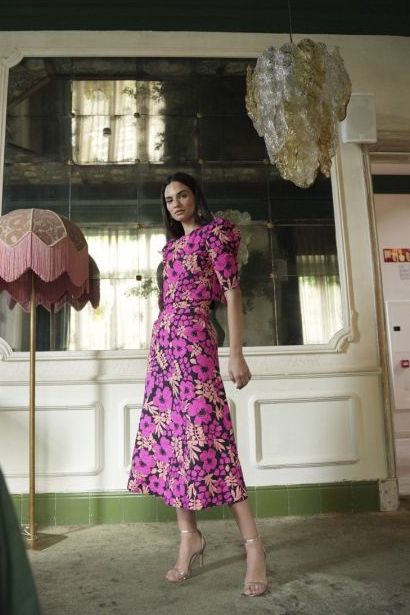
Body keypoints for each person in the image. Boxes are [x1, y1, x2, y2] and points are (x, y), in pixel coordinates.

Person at [127, 172, 268, 597]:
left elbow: (233, 293)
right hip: (164, 350)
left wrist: (236, 353)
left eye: (182, 194)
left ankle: (254, 547)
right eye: (169, 199)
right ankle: (188, 537)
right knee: (173, 443)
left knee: (213, 439)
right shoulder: (171, 249)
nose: (175, 203)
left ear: (195, 197)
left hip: (196, 344)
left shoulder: (216, 235)